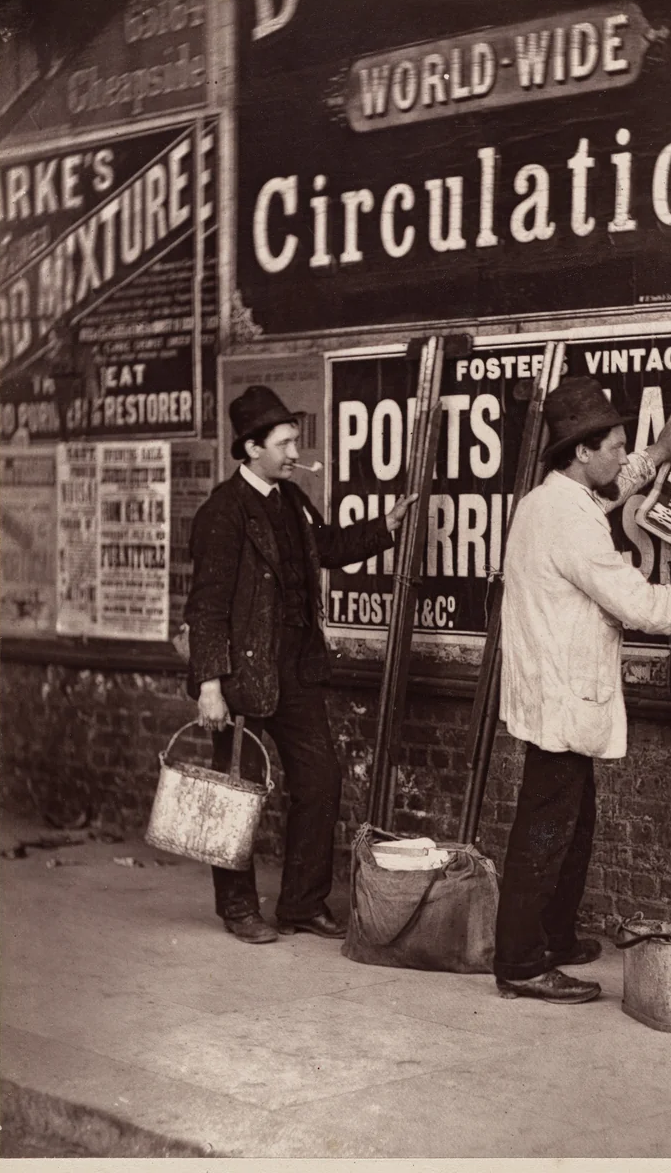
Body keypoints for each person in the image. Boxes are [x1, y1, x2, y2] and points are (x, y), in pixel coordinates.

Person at [494, 374, 671, 1003]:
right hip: (562, 695)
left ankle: (554, 939)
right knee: (545, 833)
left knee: (574, 824)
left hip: (556, 690)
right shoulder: (571, 524)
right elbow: (640, 603)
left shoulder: (554, 500)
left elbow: (610, 489)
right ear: (581, 452)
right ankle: (519, 964)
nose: (624, 455)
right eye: (615, 446)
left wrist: (660, 455)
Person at [185, 385, 416, 944]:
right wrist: (209, 685)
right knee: (235, 794)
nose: (294, 452)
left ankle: (301, 904)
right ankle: (238, 908)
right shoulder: (223, 511)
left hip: (295, 669)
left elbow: (327, 546)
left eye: (293, 441)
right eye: (284, 443)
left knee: (320, 780)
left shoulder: (290, 500)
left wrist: (385, 524)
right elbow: (208, 606)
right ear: (251, 447)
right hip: (242, 675)